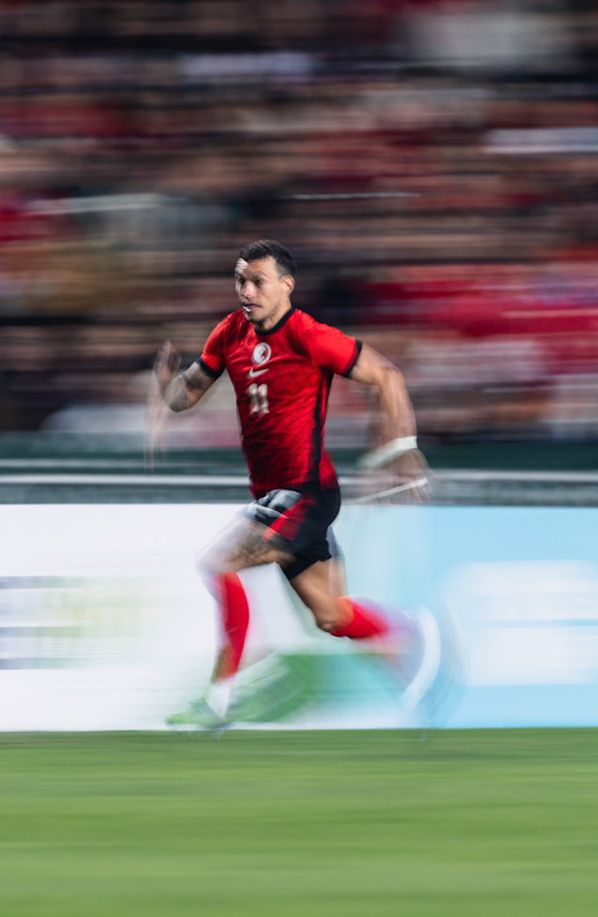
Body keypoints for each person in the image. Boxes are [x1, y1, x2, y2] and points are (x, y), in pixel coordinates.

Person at [154, 239, 437, 727]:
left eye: (257, 281)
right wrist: (167, 388)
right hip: (273, 496)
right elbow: (188, 395)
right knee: (330, 616)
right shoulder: (230, 333)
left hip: (304, 493)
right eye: (240, 280)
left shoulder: (308, 335)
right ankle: (413, 632)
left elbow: (387, 375)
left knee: (219, 565)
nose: (246, 290)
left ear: (287, 286)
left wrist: (402, 447)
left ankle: (220, 699)